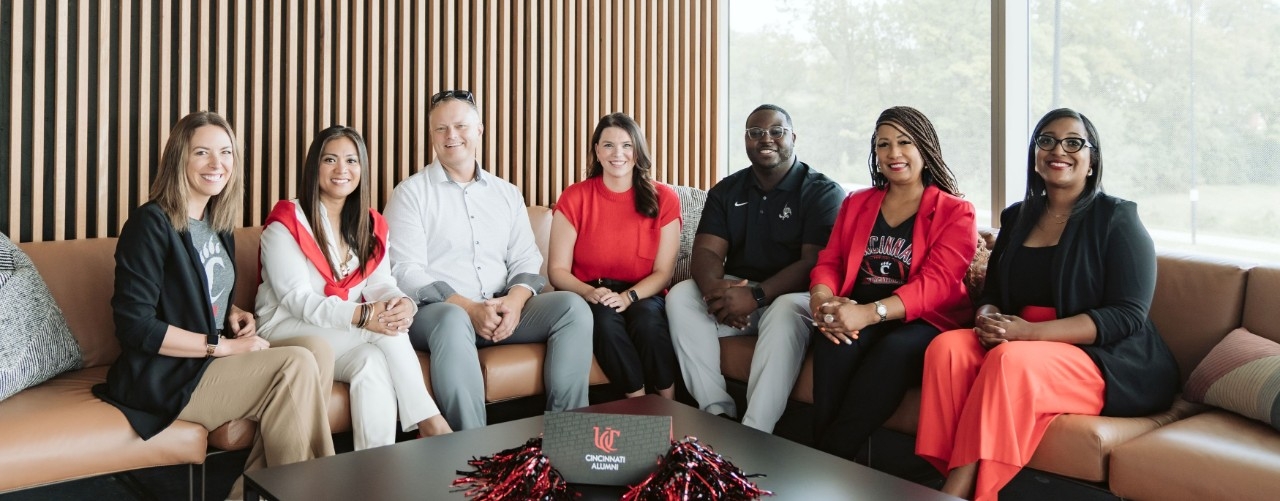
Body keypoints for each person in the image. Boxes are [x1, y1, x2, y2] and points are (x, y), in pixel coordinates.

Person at [915, 108, 1179, 501]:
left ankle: (960, 490)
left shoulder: (1117, 217)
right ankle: (951, 469)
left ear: (1092, 161)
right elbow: (993, 296)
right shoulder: (1018, 217)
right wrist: (988, 318)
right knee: (948, 349)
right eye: (1047, 140)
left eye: (1074, 142)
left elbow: (1127, 315)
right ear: (1036, 154)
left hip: (1106, 355)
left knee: (1010, 362)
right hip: (1021, 339)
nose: (1059, 150)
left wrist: (1028, 334)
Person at [92, 111, 334, 499]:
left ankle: (254, 495)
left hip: (207, 361)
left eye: (225, 153)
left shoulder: (217, 223)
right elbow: (136, 326)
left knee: (317, 350)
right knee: (295, 363)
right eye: (202, 152)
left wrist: (232, 313)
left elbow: (199, 292)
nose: (216, 164)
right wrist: (222, 346)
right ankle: (313, 491)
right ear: (179, 159)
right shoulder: (150, 224)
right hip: (168, 374)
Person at [384, 90, 593, 431]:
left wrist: (514, 300)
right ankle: (469, 450)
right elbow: (405, 271)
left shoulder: (506, 193)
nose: (451, 135)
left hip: (501, 310)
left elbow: (526, 257)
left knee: (572, 307)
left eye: (460, 126)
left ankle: (568, 436)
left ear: (479, 130)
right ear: (432, 136)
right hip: (438, 315)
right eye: (441, 129)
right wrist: (469, 308)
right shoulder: (411, 193)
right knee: (452, 319)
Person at [256, 126, 452, 450]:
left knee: (372, 363)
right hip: (283, 327)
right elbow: (297, 301)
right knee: (381, 331)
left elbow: (381, 284)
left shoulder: (369, 225)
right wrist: (362, 317)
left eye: (351, 160)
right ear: (314, 166)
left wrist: (400, 302)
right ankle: (431, 421)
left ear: (362, 168)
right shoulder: (287, 223)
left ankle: (376, 472)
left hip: (334, 331)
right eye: (330, 159)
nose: (341, 170)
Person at [808, 106, 977, 460]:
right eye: (883, 145)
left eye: (904, 142)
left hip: (924, 320)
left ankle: (825, 457)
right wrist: (822, 300)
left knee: (894, 351)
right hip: (860, 310)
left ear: (925, 149)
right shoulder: (857, 202)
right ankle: (828, 464)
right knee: (832, 342)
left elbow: (938, 284)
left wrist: (870, 313)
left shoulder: (955, 211)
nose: (893, 153)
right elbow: (831, 261)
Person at [667, 104, 845, 432]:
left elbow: (813, 263)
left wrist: (757, 296)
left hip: (798, 296)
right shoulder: (727, 190)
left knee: (783, 310)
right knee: (681, 295)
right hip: (741, 293)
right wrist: (716, 295)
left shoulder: (822, 192)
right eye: (755, 132)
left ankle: (754, 431)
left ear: (793, 137)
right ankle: (716, 414)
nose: (766, 138)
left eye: (776, 131)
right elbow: (706, 250)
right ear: (746, 140)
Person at [548, 113, 682, 400]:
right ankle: (639, 403)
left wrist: (627, 298)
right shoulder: (575, 196)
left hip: (644, 293)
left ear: (638, 150)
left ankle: (670, 404)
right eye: (608, 145)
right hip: (592, 291)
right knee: (605, 323)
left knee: (647, 322)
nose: (617, 154)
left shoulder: (664, 198)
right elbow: (557, 270)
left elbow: (663, 272)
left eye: (626, 145)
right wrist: (589, 292)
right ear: (597, 151)